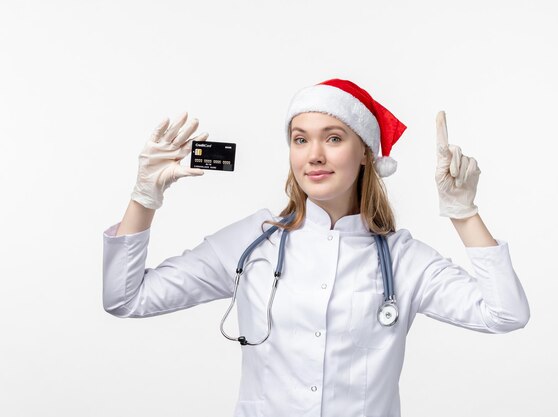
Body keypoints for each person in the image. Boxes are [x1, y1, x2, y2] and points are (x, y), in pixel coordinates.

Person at [102, 78, 530, 417]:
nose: (314, 155)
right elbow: (126, 299)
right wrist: (144, 197)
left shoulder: (402, 259)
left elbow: (505, 314)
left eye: (334, 138)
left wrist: (463, 212)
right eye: (301, 139)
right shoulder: (252, 243)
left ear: (365, 152)